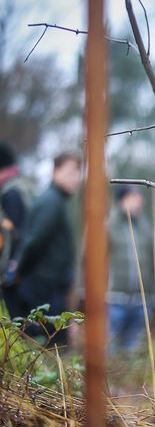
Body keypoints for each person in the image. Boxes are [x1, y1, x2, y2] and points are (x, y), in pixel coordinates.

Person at [8, 151, 82, 343]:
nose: (76, 178)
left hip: (50, 287)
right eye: (71, 172)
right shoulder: (51, 202)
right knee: (46, 345)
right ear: (55, 170)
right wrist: (19, 271)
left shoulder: (58, 201)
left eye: (77, 173)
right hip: (42, 289)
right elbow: (34, 241)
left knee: (51, 344)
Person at [107, 185, 154, 353]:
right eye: (133, 197)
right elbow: (89, 260)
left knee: (131, 352)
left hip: (140, 302)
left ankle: (127, 380)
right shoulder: (108, 226)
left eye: (139, 198)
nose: (138, 202)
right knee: (108, 349)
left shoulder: (146, 228)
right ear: (122, 200)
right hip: (113, 300)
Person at [0, 143, 34, 297]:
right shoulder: (22, 185)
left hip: (15, 272)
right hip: (27, 267)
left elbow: (14, 233)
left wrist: (11, 265)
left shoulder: (10, 193)